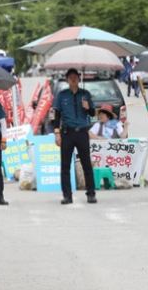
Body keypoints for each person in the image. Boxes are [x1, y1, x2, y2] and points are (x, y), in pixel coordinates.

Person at [52, 68, 97, 204]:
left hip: (82, 132)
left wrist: (87, 107)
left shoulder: (85, 94)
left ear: (79, 78)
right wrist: (57, 133)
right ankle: (67, 195)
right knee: (65, 166)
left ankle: (91, 194)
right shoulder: (62, 95)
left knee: (86, 164)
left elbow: (93, 113)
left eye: (75, 77)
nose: (73, 79)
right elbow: (57, 115)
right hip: (67, 133)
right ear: (67, 79)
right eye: (70, 77)